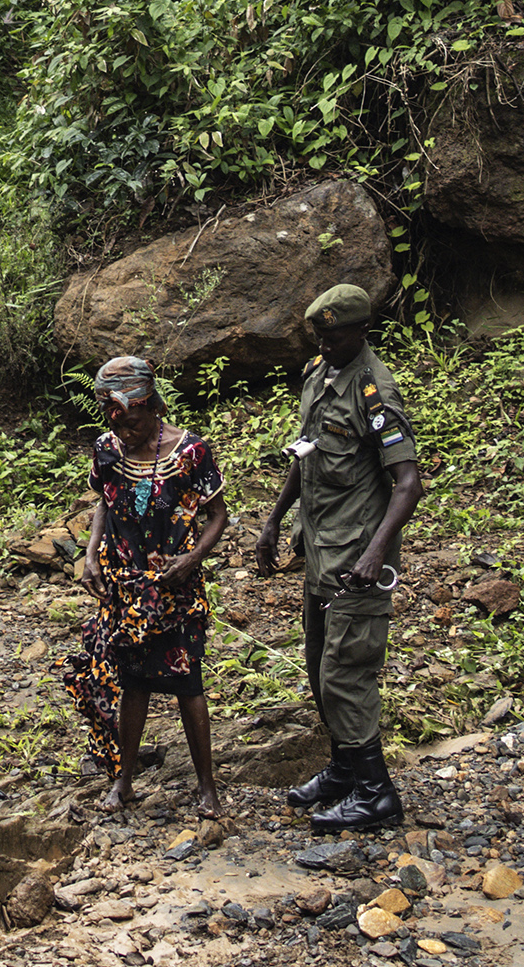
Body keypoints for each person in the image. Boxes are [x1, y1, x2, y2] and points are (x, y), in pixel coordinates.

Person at [254, 281, 422, 831]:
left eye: (332, 336)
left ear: (360, 330)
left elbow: (407, 483)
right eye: (317, 336)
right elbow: (307, 454)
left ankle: (377, 795)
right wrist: (277, 519)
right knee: (319, 664)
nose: (322, 345)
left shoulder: (373, 391)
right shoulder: (318, 376)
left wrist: (377, 554)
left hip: (357, 560)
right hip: (321, 552)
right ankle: (345, 770)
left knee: (347, 673)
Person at [59, 354, 229, 813]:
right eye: (118, 424)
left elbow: (218, 515)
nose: (126, 433)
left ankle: (207, 789)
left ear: (152, 406)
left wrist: (192, 559)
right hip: (126, 589)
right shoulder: (108, 448)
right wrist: (91, 554)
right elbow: (104, 504)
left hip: (176, 588)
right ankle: (124, 781)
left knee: (187, 684)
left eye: (133, 422)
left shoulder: (190, 452)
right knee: (133, 682)